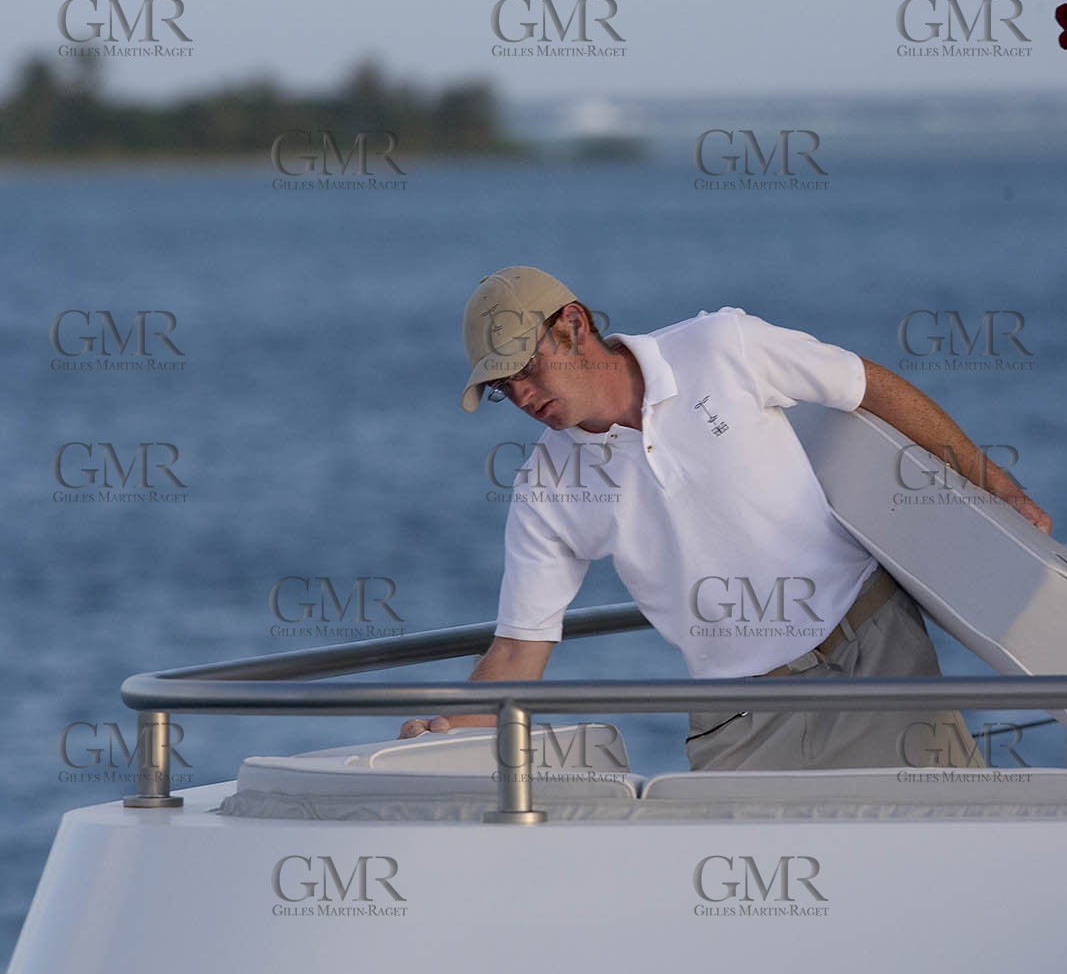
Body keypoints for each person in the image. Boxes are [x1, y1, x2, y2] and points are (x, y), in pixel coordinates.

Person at [401, 266, 1051, 770]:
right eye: (500, 387)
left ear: (571, 324)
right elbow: (518, 649)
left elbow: (867, 386)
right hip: (739, 714)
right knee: (748, 912)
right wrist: (441, 729)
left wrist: (997, 488)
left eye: (525, 367)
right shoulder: (546, 487)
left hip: (870, 650)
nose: (520, 395)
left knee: (945, 849)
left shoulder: (720, 346)